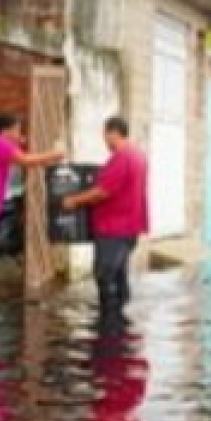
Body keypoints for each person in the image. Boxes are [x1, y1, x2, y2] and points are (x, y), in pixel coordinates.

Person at [63, 116, 150, 311]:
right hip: (129, 227)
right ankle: (120, 323)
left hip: (114, 229)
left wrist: (74, 200)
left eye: (105, 135)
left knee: (105, 275)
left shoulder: (121, 157)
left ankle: (109, 325)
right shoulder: (138, 155)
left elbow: (103, 191)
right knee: (119, 275)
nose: (105, 140)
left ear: (113, 133)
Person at [0, 113, 64, 224]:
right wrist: (56, 154)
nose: (20, 134)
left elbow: (29, 161)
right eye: (17, 130)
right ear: (5, 131)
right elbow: (27, 160)